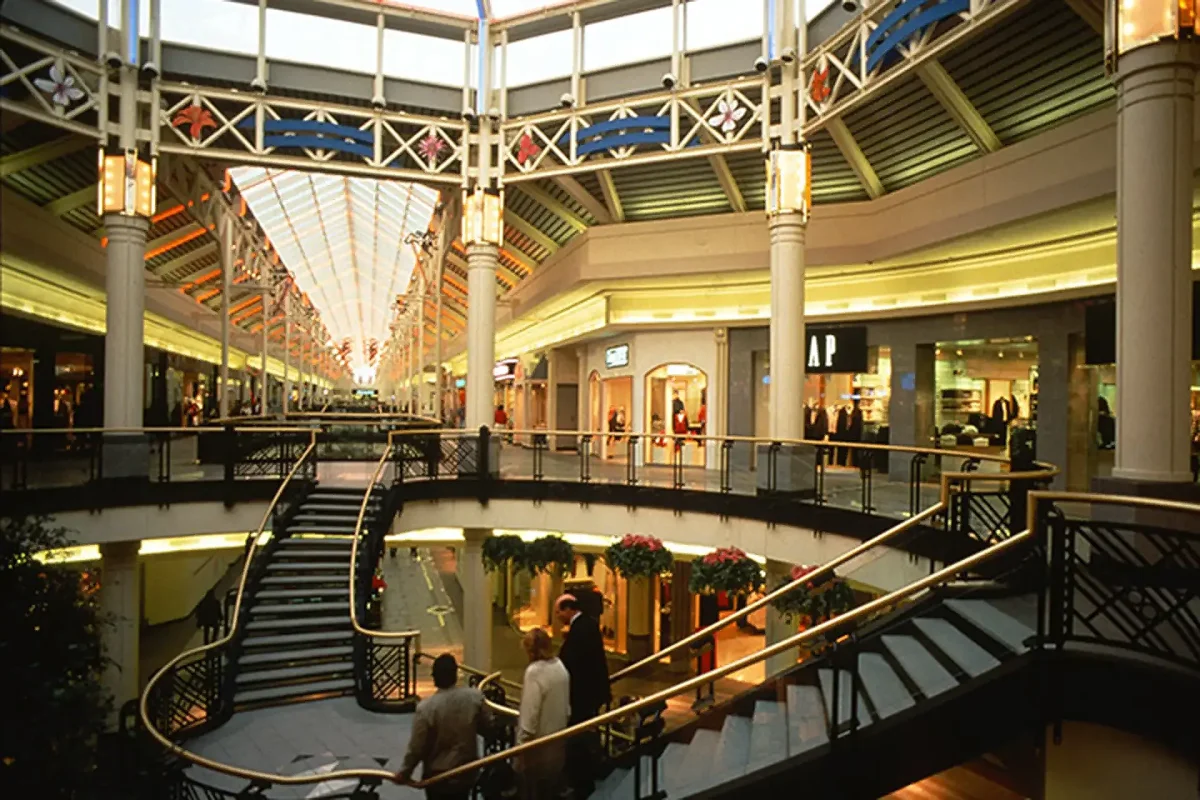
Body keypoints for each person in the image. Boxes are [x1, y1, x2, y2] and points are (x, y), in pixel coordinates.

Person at [397, 653, 493, 800]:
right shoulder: (474, 698)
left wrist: (405, 771)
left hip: (438, 776)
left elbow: (417, 747)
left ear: (435, 677)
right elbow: (489, 726)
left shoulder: (426, 708)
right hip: (466, 771)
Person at [555, 594, 611, 798]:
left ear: (569, 609)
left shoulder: (580, 630)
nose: (558, 616)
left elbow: (573, 662)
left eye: (559, 611)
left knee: (580, 734)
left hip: (583, 695)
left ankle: (582, 779)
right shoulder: (588, 624)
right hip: (592, 692)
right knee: (588, 733)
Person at [516, 628, 570, 800]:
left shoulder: (534, 673)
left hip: (537, 748)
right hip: (558, 742)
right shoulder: (560, 667)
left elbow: (529, 715)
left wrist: (521, 746)